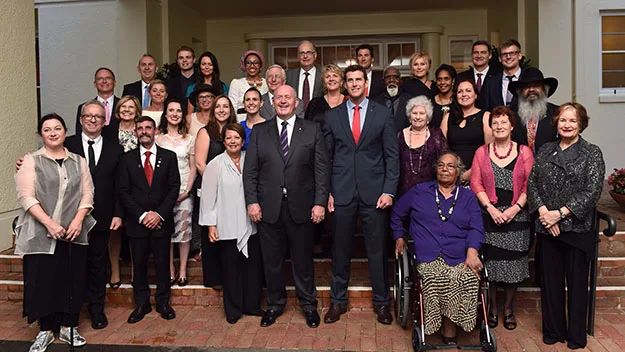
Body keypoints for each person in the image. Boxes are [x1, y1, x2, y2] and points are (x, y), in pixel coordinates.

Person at [243, 85, 329, 329]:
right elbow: (250, 172)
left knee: (302, 261)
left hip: (301, 206)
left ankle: (309, 306)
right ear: (273, 101)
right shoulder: (260, 131)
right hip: (268, 207)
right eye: (278, 97)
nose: (282, 101)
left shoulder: (312, 129)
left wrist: (319, 203)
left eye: (287, 97)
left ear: (296, 102)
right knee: (272, 261)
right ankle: (274, 305)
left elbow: (321, 170)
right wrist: (252, 202)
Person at [323, 65, 399, 325]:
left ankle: (382, 303)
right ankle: (337, 302)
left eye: (359, 79)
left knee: (377, 252)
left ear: (366, 83)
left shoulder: (382, 113)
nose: (355, 84)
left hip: (375, 193)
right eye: (350, 80)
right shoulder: (332, 116)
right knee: (340, 249)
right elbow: (327, 158)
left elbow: (392, 155)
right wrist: (328, 192)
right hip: (341, 192)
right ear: (344, 84)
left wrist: (389, 190)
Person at [527, 103, 605, 349]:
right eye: (563, 120)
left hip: (576, 228)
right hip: (547, 226)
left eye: (572, 121)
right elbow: (532, 185)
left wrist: (559, 215)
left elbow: (591, 191)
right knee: (550, 282)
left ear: (581, 123)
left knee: (577, 284)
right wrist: (543, 213)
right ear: (556, 123)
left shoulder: (591, 152)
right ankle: (552, 329)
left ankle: (575, 335)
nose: (567, 125)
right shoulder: (546, 150)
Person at [15, 114, 96, 350]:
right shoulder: (31, 161)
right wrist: (50, 224)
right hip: (40, 233)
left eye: (57, 128)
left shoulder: (78, 161)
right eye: (47, 129)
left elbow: (87, 194)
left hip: (72, 232)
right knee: (43, 280)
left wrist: (78, 221)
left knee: (71, 279)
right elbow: (26, 196)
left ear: (65, 131)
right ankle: (45, 330)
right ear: (41, 134)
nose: (53, 133)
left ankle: (69, 327)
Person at [391, 152, 485, 345]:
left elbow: (477, 227)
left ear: (458, 172)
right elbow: (397, 213)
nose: (444, 169)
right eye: (441, 165)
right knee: (434, 278)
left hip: (459, 254)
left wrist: (472, 251)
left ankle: (452, 328)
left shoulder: (468, 197)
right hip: (427, 254)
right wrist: (399, 236)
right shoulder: (419, 191)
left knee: (467, 277)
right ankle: (435, 327)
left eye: (450, 166)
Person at [470, 106, 534, 331]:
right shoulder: (481, 152)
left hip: (517, 217)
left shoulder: (525, 152)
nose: (499, 126)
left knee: (514, 267)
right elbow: (475, 183)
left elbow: (529, 184)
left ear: (512, 126)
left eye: (503, 122)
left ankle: (508, 309)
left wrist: (515, 209)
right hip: (489, 217)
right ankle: (492, 309)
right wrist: (491, 209)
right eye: (495, 123)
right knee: (492, 267)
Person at [67, 101, 124, 330]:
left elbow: (120, 185)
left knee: (98, 265)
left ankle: (97, 310)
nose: (92, 120)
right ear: (81, 120)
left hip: (102, 216)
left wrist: (118, 214)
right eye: (88, 116)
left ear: (104, 121)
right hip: (70, 217)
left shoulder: (115, 148)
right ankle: (72, 310)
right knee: (73, 265)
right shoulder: (67, 144)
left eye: (98, 116)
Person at [118, 116, 181, 324]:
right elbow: (124, 191)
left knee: (163, 264)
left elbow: (174, 188)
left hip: (161, 221)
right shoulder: (126, 159)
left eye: (148, 128)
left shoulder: (169, 156)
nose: (144, 131)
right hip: (138, 223)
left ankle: (163, 302)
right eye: (140, 128)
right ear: (135, 132)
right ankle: (141, 304)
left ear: (155, 131)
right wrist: (143, 216)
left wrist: (158, 214)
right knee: (139, 264)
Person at [199, 123, 263, 324]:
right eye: (229, 138)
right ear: (224, 141)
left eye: (237, 138)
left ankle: (252, 305)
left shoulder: (250, 161)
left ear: (243, 141)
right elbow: (208, 198)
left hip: (249, 223)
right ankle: (233, 310)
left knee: (252, 269)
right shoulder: (215, 164)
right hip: (225, 224)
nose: (233, 141)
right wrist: (211, 225)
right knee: (231, 269)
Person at [195, 95, 238, 288]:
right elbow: (199, 163)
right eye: (218, 106)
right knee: (212, 234)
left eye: (225, 106)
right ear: (213, 110)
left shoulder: (234, 131)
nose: (221, 109)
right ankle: (214, 279)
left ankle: (231, 276)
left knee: (229, 234)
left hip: (232, 193)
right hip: (211, 191)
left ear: (231, 110)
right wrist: (218, 183)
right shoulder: (205, 132)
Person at [156, 99, 196, 287]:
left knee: (184, 231)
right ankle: (170, 270)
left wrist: (187, 190)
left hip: (184, 191)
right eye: (171, 110)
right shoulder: (158, 139)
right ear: (165, 114)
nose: (174, 113)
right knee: (167, 233)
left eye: (178, 110)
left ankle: (182, 271)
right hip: (163, 193)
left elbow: (193, 166)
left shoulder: (189, 139)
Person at [441, 79, 493, 184]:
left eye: (468, 91)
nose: (464, 94)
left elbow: (490, 151)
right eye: (460, 92)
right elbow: (442, 148)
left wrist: (470, 173)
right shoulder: (448, 117)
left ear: (476, 95)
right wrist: (452, 172)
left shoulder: (486, 116)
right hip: (451, 176)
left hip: (479, 174)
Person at [397, 96, 449, 197]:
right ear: (409, 116)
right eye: (414, 113)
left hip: (431, 193)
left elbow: (445, 161)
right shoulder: (400, 136)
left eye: (422, 113)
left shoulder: (436, 135)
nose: (417, 117)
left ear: (428, 117)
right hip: (403, 193)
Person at [508, 67, 560, 154]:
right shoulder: (511, 114)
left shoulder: (556, 112)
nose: (531, 89)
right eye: (527, 87)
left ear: (544, 89)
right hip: (519, 165)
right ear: (521, 91)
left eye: (536, 85)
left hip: (549, 164)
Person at [75, 67, 120, 138]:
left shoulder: (124, 106)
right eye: (100, 79)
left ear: (114, 83)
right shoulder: (84, 107)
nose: (104, 81)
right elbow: (79, 134)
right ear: (95, 84)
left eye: (108, 78)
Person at [480, 39, 523, 111]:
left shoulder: (527, 79)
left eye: (512, 53)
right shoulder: (490, 83)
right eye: (504, 54)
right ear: (500, 58)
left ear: (519, 56)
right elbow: (485, 110)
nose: (508, 57)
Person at [229, 50, 268, 121]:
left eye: (256, 63)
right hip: (241, 122)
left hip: (263, 122)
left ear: (260, 65)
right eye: (248, 63)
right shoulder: (236, 83)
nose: (252, 66)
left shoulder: (267, 83)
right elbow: (232, 107)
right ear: (244, 65)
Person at [371, 66, 411, 133]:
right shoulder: (375, 102)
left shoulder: (410, 101)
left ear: (400, 81)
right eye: (388, 77)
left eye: (395, 77)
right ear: (383, 81)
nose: (391, 80)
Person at [286, 40, 323, 110]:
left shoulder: (323, 76)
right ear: (298, 57)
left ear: (315, 55)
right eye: (302, 53)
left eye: (308, 52)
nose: (305, 56)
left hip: (316, 118)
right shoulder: (288, 76)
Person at [431, 64, 457, 129]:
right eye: (439, 79)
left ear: (453, 81)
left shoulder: (459, 101)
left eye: (446, 79)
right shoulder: (429, 103)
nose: (442, 82)